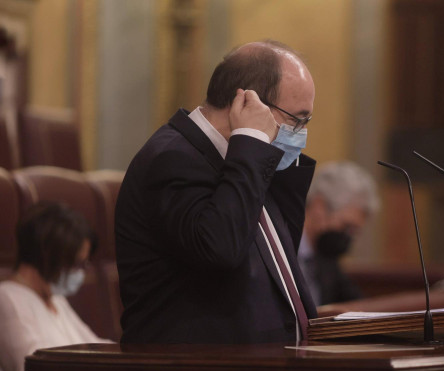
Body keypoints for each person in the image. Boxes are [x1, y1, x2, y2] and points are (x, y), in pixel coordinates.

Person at [115, 40, 318, 344]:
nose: (301, 133)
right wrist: (251, 140)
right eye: (297, 119)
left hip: (262, 370)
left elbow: (280, 258)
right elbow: (220, 249)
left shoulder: (242, 161)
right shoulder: (173, 159)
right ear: (248, 104)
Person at [0, 202, 110, 371]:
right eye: (77, 264)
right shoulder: (7, 299)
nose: (81, 272)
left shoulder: (56, 299)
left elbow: (95, 346)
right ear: (49, 256)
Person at [298, 161, 379, 305]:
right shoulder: (280, 248)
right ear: (319, 206)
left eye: (355, 231)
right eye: (346, 226)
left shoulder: (326, 258)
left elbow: (358, 304)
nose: (348, 236)